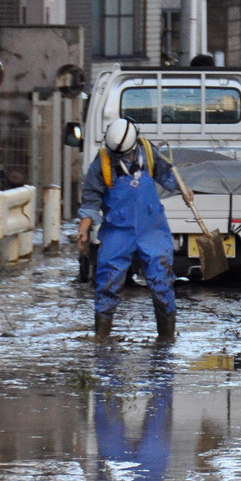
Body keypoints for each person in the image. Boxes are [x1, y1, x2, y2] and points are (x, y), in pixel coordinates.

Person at [77, 118, 184, 341]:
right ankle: (102, 336)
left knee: (161, 280)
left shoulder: (149, 152)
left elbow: (169, 178)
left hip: (152, 229)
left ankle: (166, 339)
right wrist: (83, 229)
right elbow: (90, 199)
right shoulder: (102, 164)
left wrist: (186, 190)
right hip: (117, 231)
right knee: (107, 280)